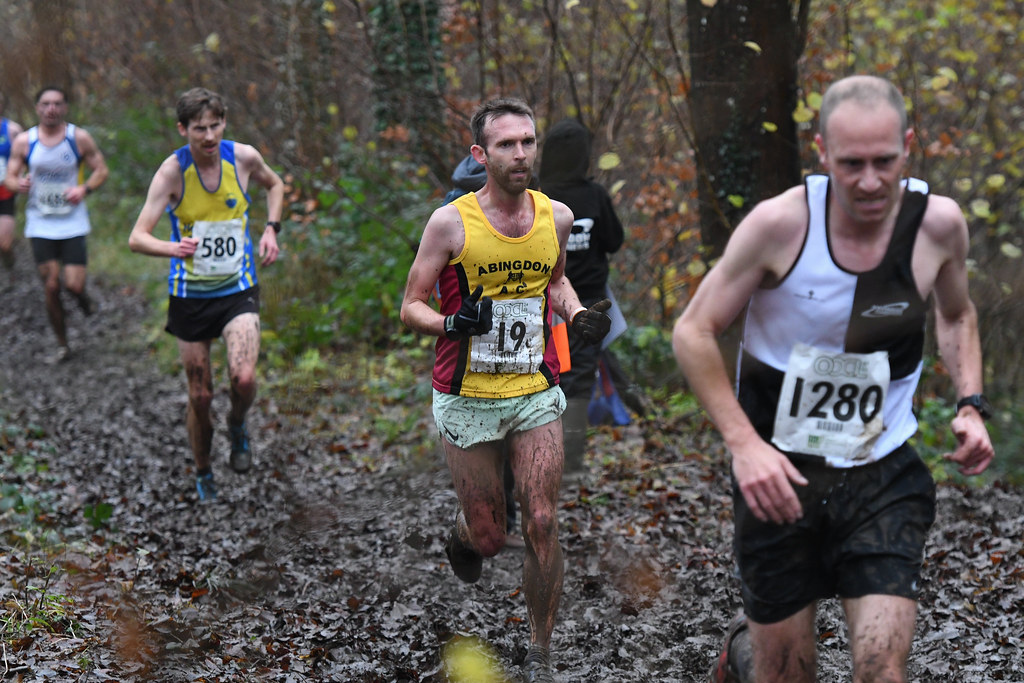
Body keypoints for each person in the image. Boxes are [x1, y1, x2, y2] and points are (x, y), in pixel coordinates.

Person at [672, 75, 994, 683]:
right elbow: (693, 331)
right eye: (851, 164)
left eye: (884, 161)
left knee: (880, 672)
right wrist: (744, 447)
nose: (870, 181)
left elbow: (956, 313)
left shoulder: (938, 225)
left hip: (882, 475)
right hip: (780, 474)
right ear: (822, 152)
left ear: (908, 144)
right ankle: (744, 656)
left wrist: (970, 402)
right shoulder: (779, 226)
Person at [400, 97, 611, 682]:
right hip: (466, 395)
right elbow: (409, 305)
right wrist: (450, 323)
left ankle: (542, 653)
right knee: (492, 536)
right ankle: (467, 535)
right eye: (506, 145)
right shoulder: (450, 223)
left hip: (533, 389)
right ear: (481, 154)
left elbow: (557, 281)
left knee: (541, 520)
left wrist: (575, 315)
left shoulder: (557, 217)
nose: (520, 154)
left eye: (527, 142)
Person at [128, 87, 284, 502]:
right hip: (190, 296)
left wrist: (271, 228)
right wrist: (171, 247)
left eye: (216, 125)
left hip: (237, 290)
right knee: (200, 395)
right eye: (200, 129)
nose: (210, 136)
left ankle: (237, 423)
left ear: (224, 123)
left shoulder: (243, 158)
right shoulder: (172, 172)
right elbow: (137, 237)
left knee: (244, 377)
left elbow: (276, 185)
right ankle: (202, 470)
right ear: (183, 129)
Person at [538, 118, 625, 477]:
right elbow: (614, 242)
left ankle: (553, 459)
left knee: (547, 376)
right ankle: (568, 463)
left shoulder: (537, 195)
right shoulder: (593, 196)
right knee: (577, 380)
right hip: (583, 304)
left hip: (554, 304)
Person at [4, 86, 108, 360]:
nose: (52, 109)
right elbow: (10, 177)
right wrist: (20, 184)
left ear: (65, 108)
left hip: (72, 222)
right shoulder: (25, 141)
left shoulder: (78, 138)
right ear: (37, 108)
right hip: (41, 223)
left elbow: (101, 169)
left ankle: (83, 300)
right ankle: (63, 343)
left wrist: (83, 189)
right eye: (46, 104)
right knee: (51, 286)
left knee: (73, 285)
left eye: (58, 104)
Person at [0, 93, 25, 283]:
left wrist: (19, 179)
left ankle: (9, 264)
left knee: (4, 244)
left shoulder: (13, 130)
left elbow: (24, 158)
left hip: (5, 193)